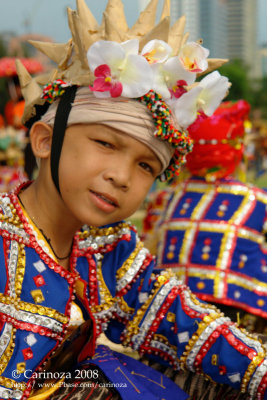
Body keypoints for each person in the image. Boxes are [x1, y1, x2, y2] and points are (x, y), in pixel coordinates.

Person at [0, 1, 266, 400]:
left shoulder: (106, 247)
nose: (121, 177)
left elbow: (182, 322)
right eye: (105, 143)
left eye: (145, 166)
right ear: (44, 140)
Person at [142, 99, 267, 335]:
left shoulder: (166, 198)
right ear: (237, 149)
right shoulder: (257, 200)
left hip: (170, 309)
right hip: (233, 310)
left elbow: (150, 247)